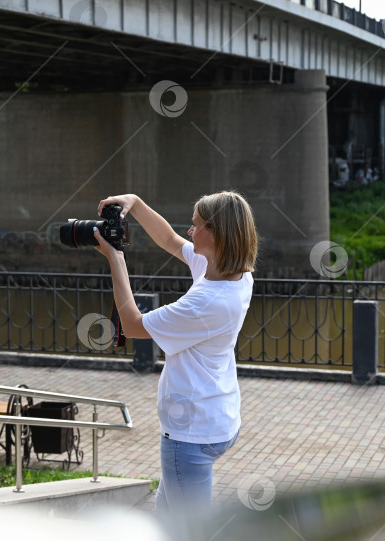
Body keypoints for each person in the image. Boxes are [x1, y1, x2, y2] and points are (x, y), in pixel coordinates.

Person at [92, 191, 258, 515]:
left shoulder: (207, 302)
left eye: (196, 226)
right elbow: (168, 239)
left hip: (191, 436)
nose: (190, 232)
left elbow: (132, 324)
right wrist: (136, 203)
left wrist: (116, 259)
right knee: (167, 522)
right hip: (215, 415)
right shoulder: (233, 274)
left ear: (217, 234)